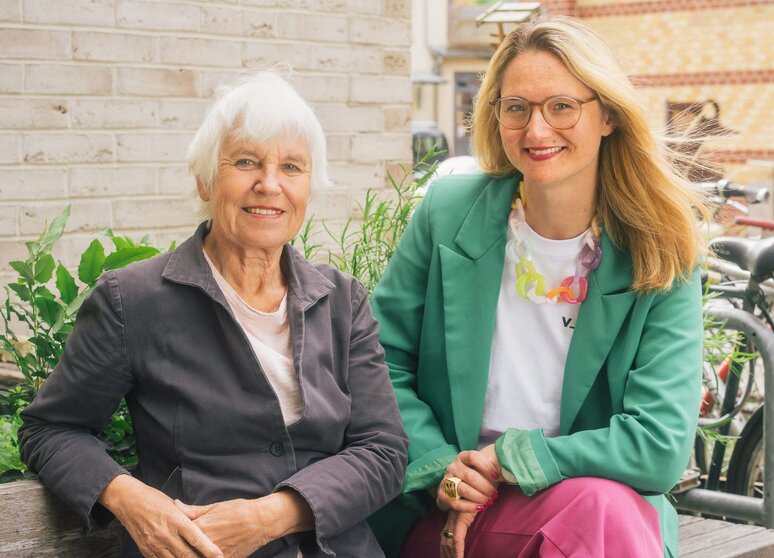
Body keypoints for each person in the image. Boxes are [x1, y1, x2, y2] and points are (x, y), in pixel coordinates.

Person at [18, 71, 408, 558]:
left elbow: (384, 452)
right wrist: (130, 498)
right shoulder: (133, 299)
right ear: (205, 180)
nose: (269, 185)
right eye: (246, 162)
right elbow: (50, 429)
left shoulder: (341, 298)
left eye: (291, 167)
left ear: (309, 187)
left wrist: (272, 515)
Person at [369, 16, 706, 558]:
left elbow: (659, 447)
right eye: (516, 107)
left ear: (608, 117)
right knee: (604, 519)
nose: (536, 130)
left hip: (590, 507)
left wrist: (512, 461)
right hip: (448, 508)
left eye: (562, 107)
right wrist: (438, 468)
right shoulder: (447, 215)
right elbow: (380, 364)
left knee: (599, 511)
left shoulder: (660, 251)